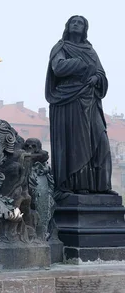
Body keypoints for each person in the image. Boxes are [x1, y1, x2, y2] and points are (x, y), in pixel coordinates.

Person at [45, 15, 112, 195]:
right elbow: (58, 68)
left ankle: (102, 186)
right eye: (73, 22)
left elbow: (101, 74)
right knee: (78, 143)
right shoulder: (61, 47)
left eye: (80, 22)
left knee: (101, 141)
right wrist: (80, 65)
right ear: (68, 26)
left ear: (84, 29)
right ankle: (79, 185)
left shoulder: (90, 50)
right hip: (69, 100)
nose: (76, 24)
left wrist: (97, 77)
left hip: (90, 100)